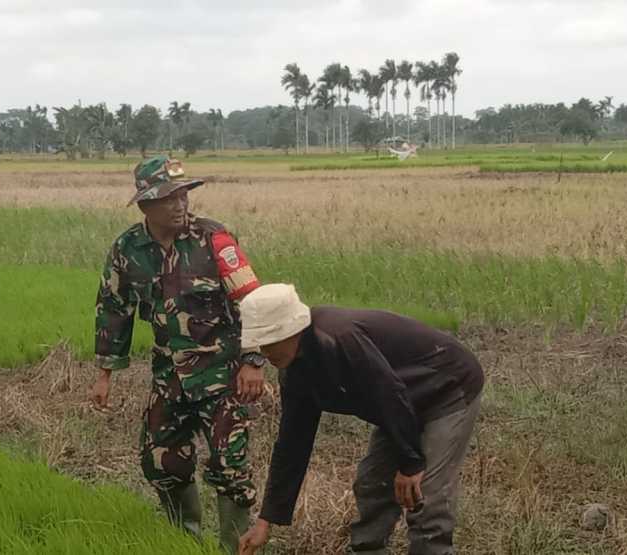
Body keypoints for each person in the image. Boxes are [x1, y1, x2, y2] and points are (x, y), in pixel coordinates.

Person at [91, 155, 269, 553]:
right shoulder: (128, 249)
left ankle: (233, 548)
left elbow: (252, 300)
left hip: (224, 377)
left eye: (183, 195)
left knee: (231, 470)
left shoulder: (214, 239)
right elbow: (113, 308)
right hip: (169, 378)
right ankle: (183, 541)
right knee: (159, 461)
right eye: (168, 198)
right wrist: (105, 372)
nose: (180, 204)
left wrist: (254, 361)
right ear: (145, 205)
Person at [237, 284, 484, 555]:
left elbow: (388, 393)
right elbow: (292, 445)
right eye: (262, 344)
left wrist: (411, 463)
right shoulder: (295, 371)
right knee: (371, 483)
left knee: (425, 496)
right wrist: (266, 520)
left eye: (271, 341)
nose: (267, 352)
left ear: (292, 329)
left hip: (446, 388)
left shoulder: (338, 338)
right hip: (399, 404)